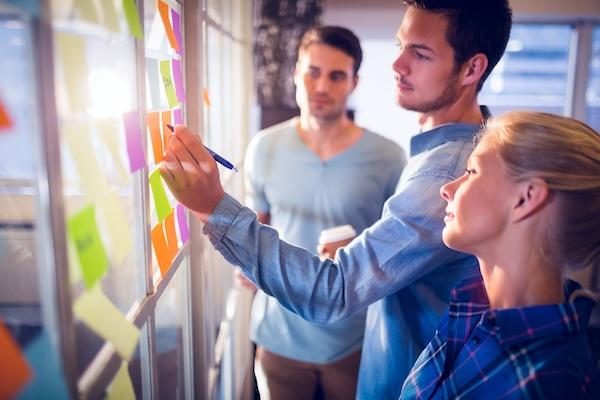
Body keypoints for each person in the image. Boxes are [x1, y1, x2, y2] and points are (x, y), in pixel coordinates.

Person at [159, 1, 512, 398]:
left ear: (471, 69)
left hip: (369, 356)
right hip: (286, 334)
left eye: (420, 53)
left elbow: (336, 291)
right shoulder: (439, 156)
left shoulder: (440, 172)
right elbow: (406, 256)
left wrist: (213, 207)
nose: (397, 65)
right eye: (400, 45)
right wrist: (361, 250)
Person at [241, 26, 405, 400]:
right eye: (312, 72)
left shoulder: (389, 158)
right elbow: (257, 226)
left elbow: (399, 251)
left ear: (354, 82)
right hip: (280, 333)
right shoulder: (263, 148)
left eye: (336, 76)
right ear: (296, 73)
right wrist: (245, 266)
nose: (322, 86)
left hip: (354, 337)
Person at [400, 111, 600, 399]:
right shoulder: (472, 308)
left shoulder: (551, 382)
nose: (446, 189)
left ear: (526, 197)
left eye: (472, 171)